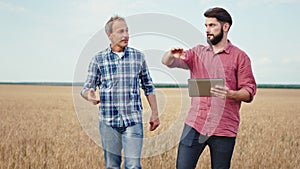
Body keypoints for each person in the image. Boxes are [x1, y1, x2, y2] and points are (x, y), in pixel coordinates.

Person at [162, 7, 256, 169]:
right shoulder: (197, 52)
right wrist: (170, 54)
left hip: (224, 128)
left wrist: (231, 93)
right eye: (206, 26)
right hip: (194, 125)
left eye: (212, 25)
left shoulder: (240, 57)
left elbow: (249, 91)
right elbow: (168, 63)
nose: (207, 30)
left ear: (225, 27)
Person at [81, 15, 160, 169]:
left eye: (127, 31)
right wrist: (89, 95)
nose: (126, 35)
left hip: (133, 120)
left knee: (133, 165)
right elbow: (86, 88)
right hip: (108, 122)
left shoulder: (138, 57)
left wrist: (155, 113)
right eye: (120, 31)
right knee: (112, 166)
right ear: (109, 35)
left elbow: (148, 86)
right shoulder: (98, 59)